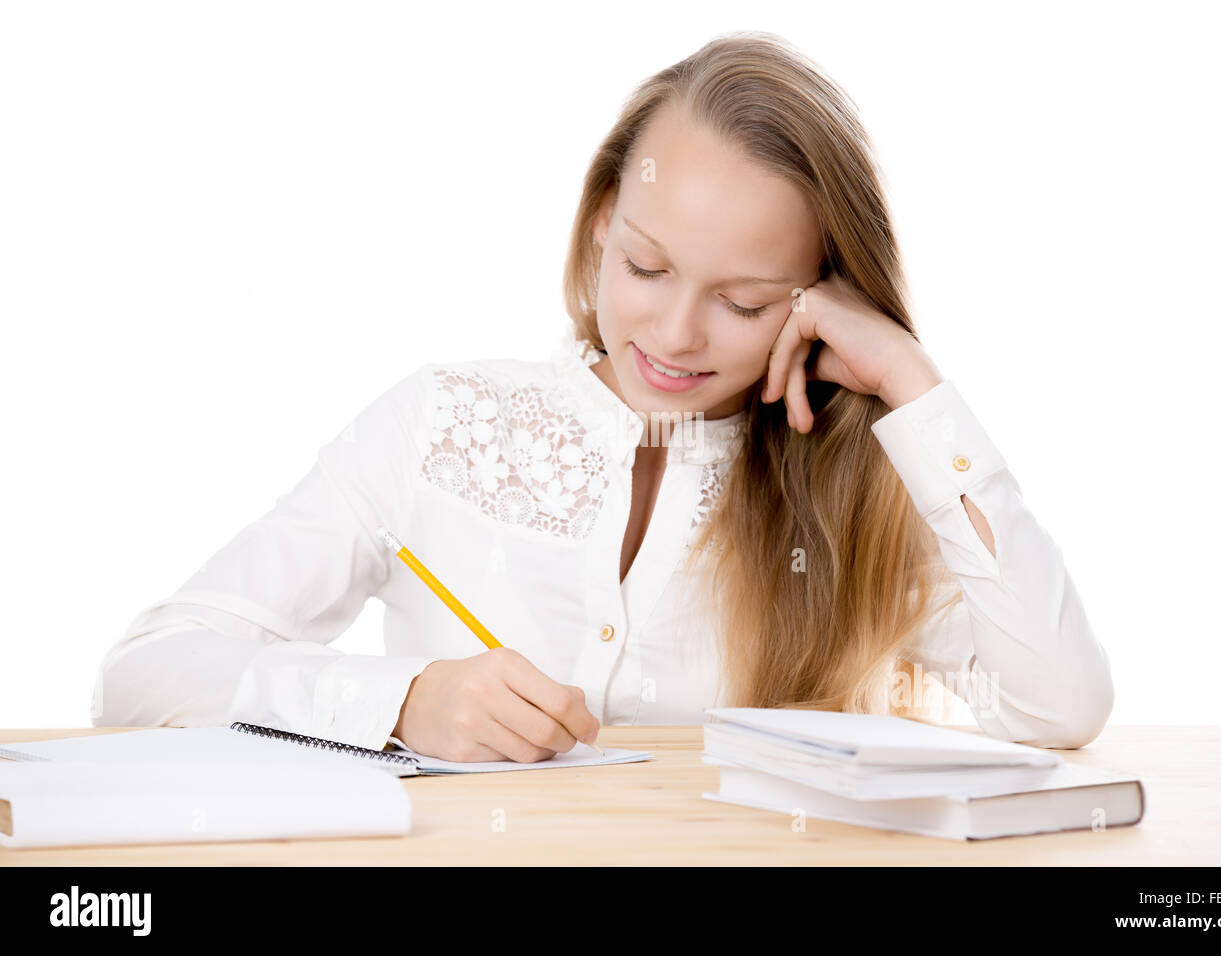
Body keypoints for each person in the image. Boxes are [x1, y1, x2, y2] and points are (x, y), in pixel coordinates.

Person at [93, 31, 1113, 762]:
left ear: (818, 299)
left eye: (745, 300)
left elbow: (1057, 705)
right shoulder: (440, 424)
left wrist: (913, 389)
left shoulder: (848, 489)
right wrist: (398, 700)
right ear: (598, 230)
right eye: (648, 267)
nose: (674, 336)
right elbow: (143, 674)